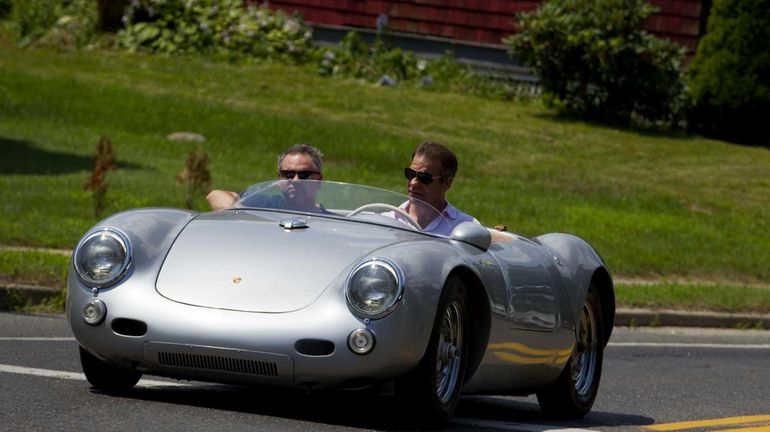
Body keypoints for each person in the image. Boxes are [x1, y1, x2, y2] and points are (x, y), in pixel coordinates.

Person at [207, 144, 324, 211]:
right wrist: (241, 214)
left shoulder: (329, 220)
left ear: (318, 180)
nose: (295, 180)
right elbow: (215, 195)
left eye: (304, 175)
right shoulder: (265, 205)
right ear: (279, 179)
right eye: (288, 174)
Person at [401, 140, 479, 235]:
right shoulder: (388, 220)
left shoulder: (467, 230)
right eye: (411, 174)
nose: (413, 183)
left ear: (446, 182)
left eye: (424, 177)